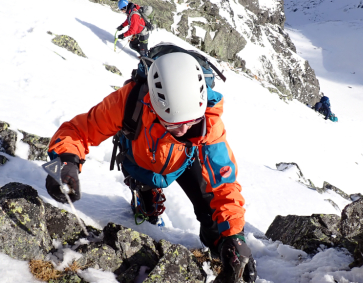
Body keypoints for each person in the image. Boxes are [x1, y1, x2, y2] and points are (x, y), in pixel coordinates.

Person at [45, 52, 256, 282]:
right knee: (146, 210)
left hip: (184, 160)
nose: (184, 130)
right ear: (154, 105)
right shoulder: (129, 101)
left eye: (190, 123)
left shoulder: (208, 120)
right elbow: (79, 130)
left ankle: (218, 248)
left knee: (212, 216)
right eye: (173, 124)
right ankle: (147, 200)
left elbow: (224, 184)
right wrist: (66, 161)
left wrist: (235, 237)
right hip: (140, 161)